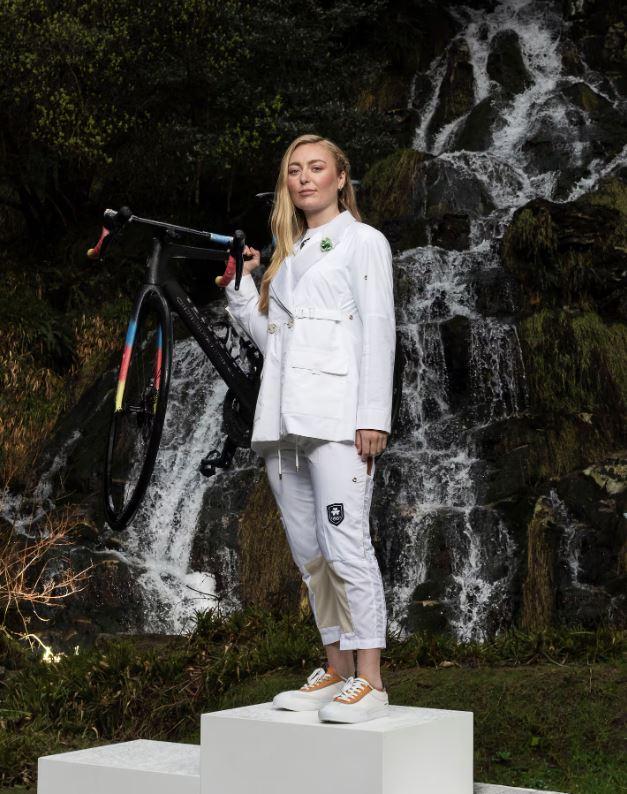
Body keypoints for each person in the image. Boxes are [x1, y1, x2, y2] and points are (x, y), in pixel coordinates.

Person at [222, 133, 396, 723]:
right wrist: (244, 289)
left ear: (340, 177)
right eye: (294, 170)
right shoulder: (288, 256)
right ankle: (335, 668)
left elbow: (378, 326)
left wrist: (373, 415)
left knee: (346, 545)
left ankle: (369, 678)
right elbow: (274, 339)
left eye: (317, 168)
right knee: (309, 552)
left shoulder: (363, 242)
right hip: (282, 424)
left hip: (337, 418)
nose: (304, 178)